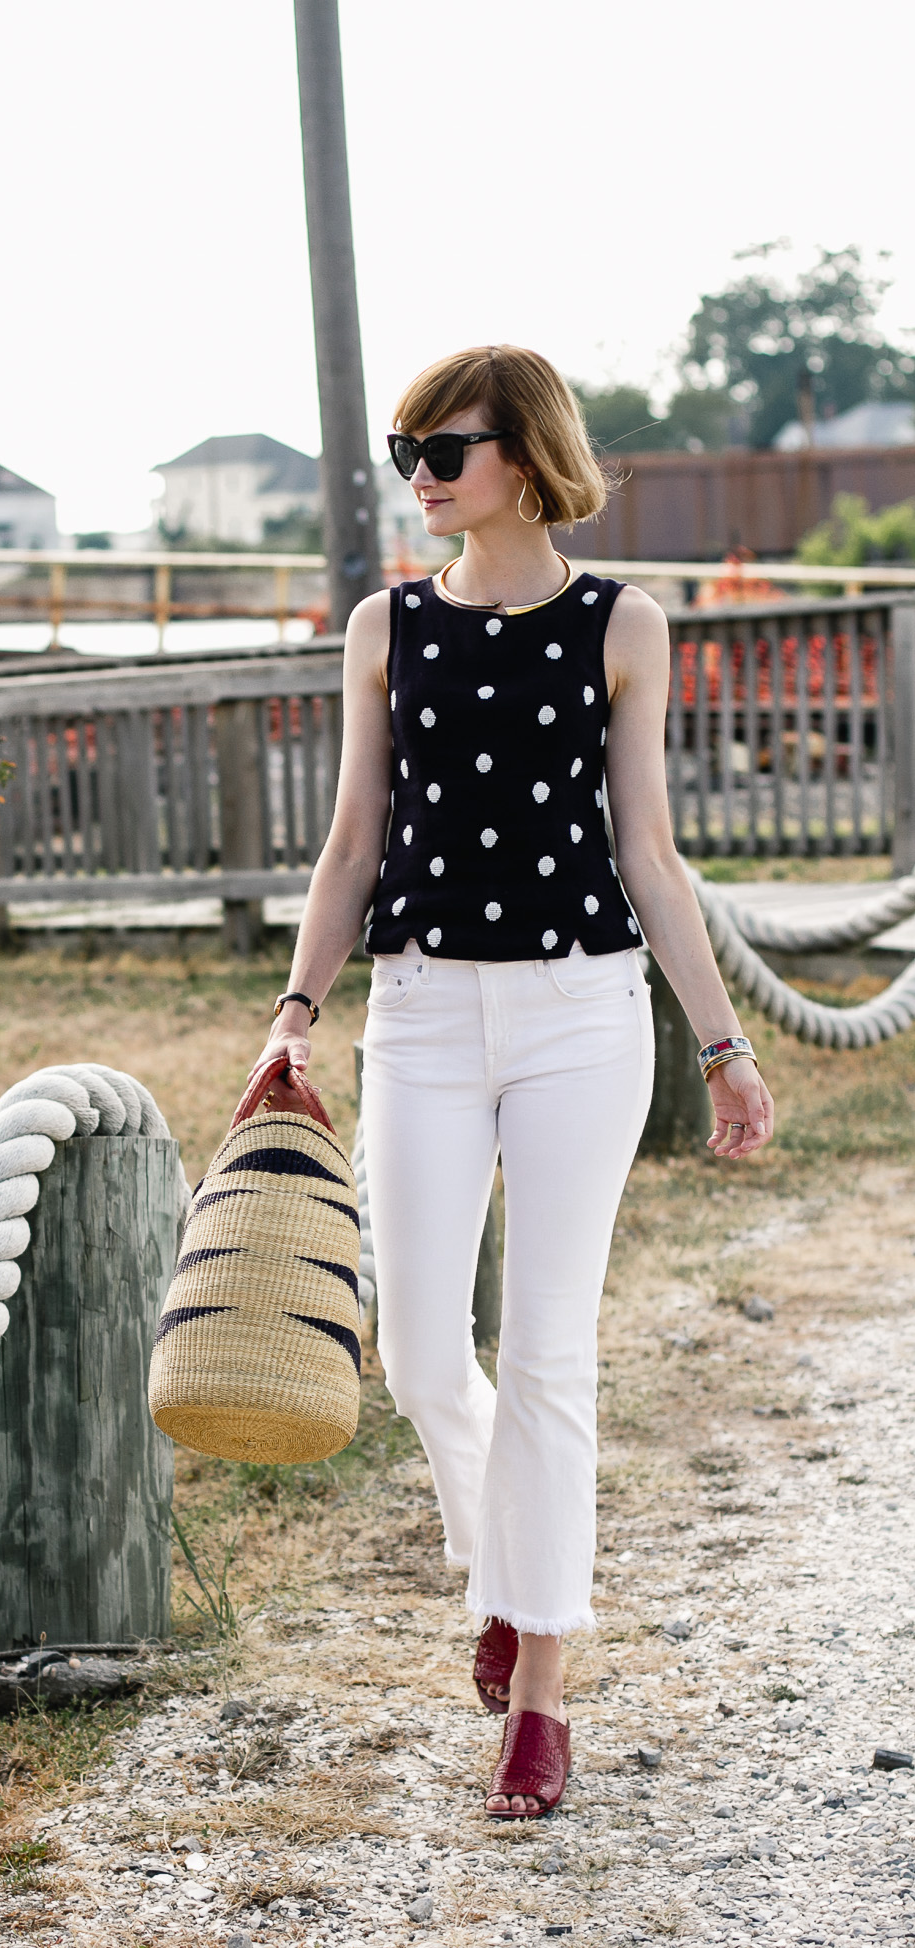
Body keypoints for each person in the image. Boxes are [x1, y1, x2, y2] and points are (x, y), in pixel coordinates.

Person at [254, 344, 773, 1818]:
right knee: (418, 1347)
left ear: (526, 457)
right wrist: (294, 1012)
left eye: (446, 444)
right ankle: (507, 1564)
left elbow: (650, 856)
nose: (419, 469)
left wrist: (721, 1046)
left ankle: (539, 1694)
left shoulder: (624, 624)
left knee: (545, 1352)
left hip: (579, 1018)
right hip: (417, 1013)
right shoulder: (382, 626)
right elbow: (351, 846)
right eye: (406, 445)